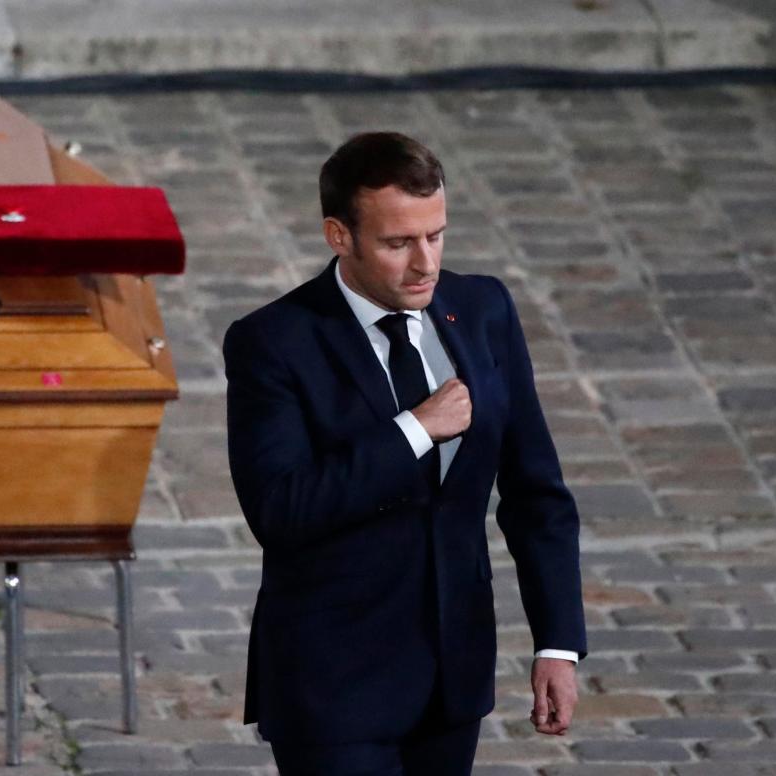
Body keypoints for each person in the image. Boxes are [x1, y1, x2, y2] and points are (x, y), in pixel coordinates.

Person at [223, 132, 587, 775]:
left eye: (436, 235)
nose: (425, 264)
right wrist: (414, 429)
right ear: (340, 236)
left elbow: (536, 493)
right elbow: (280, 509)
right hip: (334, 685)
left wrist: (558, 642)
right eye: (398, 244)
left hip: (452, 677)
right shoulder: (273, 342)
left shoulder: (483, 311)